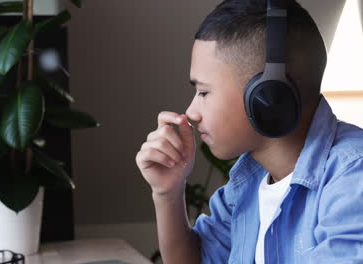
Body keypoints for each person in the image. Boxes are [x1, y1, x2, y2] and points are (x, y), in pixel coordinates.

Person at [135, 0, 363, 263]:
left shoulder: (351, 179)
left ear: (268, 95)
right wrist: (168, 192)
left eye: (204, 92)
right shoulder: (247, 182)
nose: (191, 111)